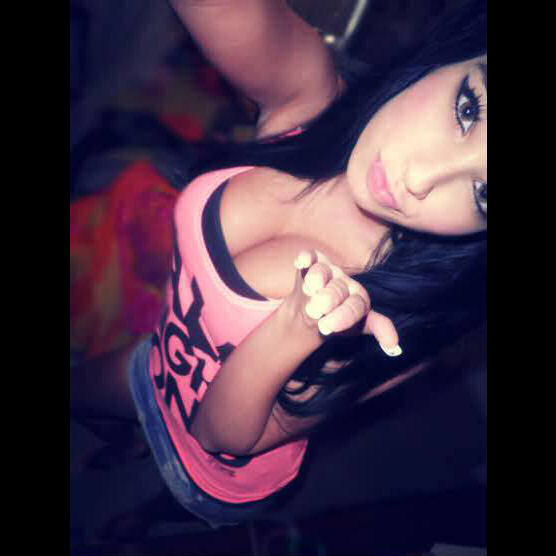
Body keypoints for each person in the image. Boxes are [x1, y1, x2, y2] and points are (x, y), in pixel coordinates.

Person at [70, 0, 486, 531]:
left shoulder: (391, 322)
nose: (421, 179)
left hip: (201, 474)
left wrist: (299, 327)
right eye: (468, 109)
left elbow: (216, 435)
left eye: (484, 193)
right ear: (451, 56)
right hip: (160, 355)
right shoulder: (308, 102)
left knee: (104, 513)